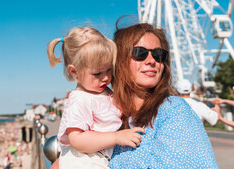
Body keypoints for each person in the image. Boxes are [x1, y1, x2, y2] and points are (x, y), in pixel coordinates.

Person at [108, 22, 217, 168]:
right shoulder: (108, 114)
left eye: (159, 55)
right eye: (140, 53)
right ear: (118, 60)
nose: (152, 60)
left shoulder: (172, 109)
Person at [47, 27, 145, 168]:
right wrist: (117, 137)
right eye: (97, 73)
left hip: (97, 158)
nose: (105, 77)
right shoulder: (80, 99)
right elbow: (77, 140)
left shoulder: (104, 92)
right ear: (75, 72)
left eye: (108, 70)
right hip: (81, 160)